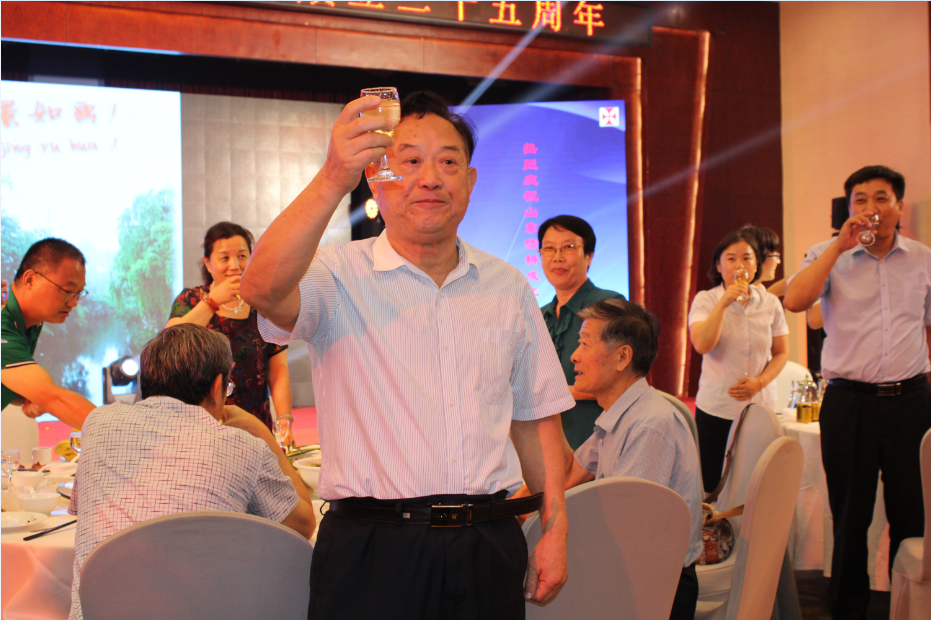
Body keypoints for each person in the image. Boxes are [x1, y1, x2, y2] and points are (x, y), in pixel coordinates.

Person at [241, 91, 572, 620]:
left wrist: (555, 529)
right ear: (377, 179)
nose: (431, 179)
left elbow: (535, 421)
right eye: (411, 161)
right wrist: (334, 177)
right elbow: (260, 288)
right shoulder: (335, 275)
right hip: (374, 550)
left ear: (470, 182)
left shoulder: (507, 286)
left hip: (488, 544)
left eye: (448, 163)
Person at [67, 323, 316, 620]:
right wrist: (262, 433)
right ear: (217, 386)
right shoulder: (242, 446)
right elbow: (303, 526)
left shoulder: (97, 424)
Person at [784, 165, 931, 620]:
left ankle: (911, 608)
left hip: (911, 401)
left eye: (881, 198)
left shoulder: (923, 259)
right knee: (850, 516)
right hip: (850, 404)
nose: (871, 208)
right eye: (860, 200)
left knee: (913, 516)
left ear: (899, 206)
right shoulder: (826, 254)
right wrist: (837, 247)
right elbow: (795, 300)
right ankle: (848, 610)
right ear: (848, 209)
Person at [557, 299, 702, 620]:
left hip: (657, 589)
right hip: (630, 572)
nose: (574, 356)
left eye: (585, 344)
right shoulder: (620, 415)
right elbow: (568, 474)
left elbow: (628, 535)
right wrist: (547, 409)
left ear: (623, 357)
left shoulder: (649, 425)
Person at [167, 222, 292, 436]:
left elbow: (278, 372)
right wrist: (212, 302)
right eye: (224, 258)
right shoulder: (190, 299)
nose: (234, 265)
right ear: (208, 263)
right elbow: (169, 341)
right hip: (200, 428)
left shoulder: (263, 305)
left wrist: (284, 420)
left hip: (255, 427)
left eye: (242, 256)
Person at [688, 230, 789, 492]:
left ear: (756, 266)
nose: (739, 265)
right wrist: (723, 303)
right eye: (731, 259)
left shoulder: (770, 303)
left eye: (747, 258)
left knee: (759, 485)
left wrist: (761, 381)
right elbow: (702, 344)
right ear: (718, 266)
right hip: (718, 408)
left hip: (760, 407)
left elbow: (781, 352)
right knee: (711, 487)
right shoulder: (705, 299)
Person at [538, 215, 625, 449]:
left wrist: (568, 393)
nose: (557, 257)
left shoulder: (609, 304)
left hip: (597, 440)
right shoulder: (538, 315)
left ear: (589, 256)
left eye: (568, 247)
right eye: (549, 249)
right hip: (550, 443)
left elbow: (626, 379)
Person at [1, 238, 95, 429]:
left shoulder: (32, 322)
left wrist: (30, 396)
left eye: (78, 293)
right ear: (30, 279)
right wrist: (129, 431)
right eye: (67, 291)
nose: (74, 303)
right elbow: (54, 398)